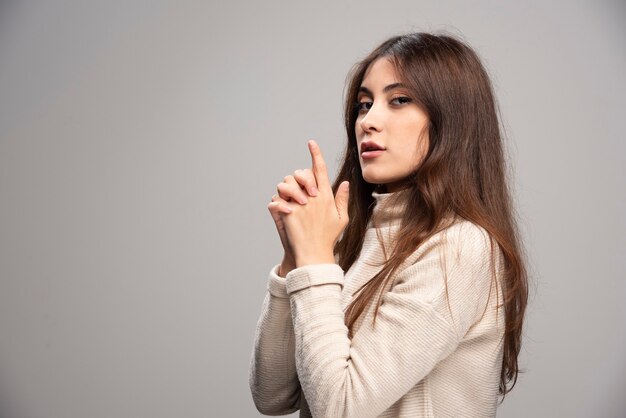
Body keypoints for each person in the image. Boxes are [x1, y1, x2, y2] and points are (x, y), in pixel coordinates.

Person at [249, 32, 528, 418]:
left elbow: (339, 407)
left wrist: (315, 260)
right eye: (365, 104)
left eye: (399, 100)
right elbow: (272, 395)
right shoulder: (358, 240)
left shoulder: (461, 247)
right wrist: (295, 259)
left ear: (452, 120)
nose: (369, 121)